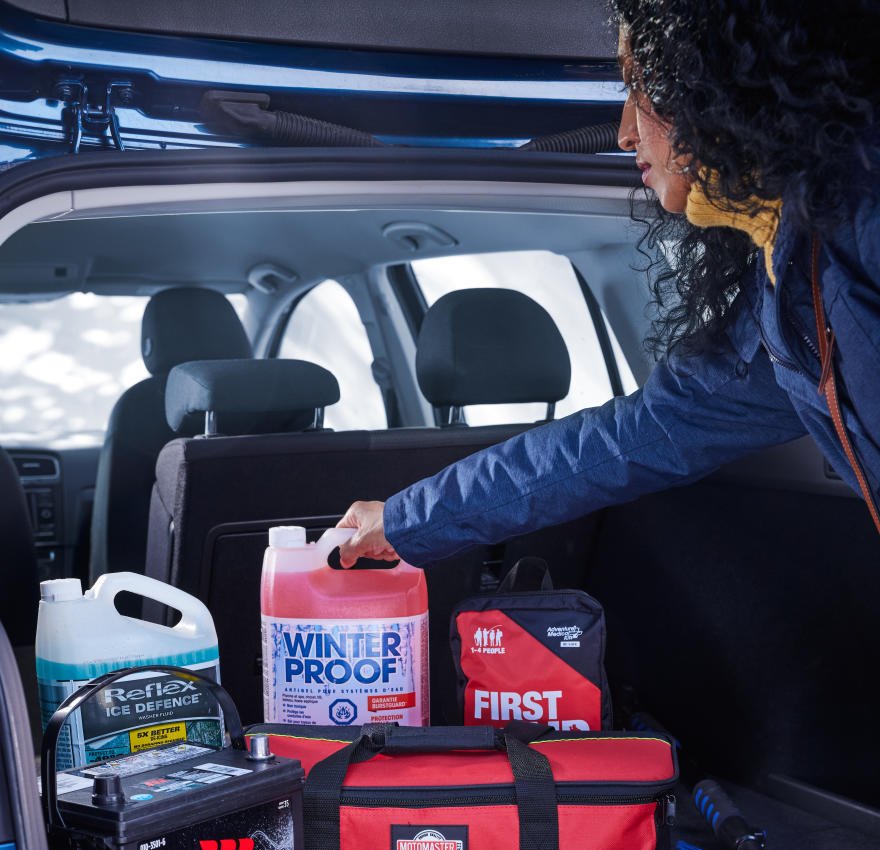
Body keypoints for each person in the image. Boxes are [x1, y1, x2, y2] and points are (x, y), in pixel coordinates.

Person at [335, 0, 880, 569]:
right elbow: (628, 438)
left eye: (641, 87)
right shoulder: (781, 289)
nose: (624, 133)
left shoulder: (862, 220)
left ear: (716, 85)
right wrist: (407, 519)